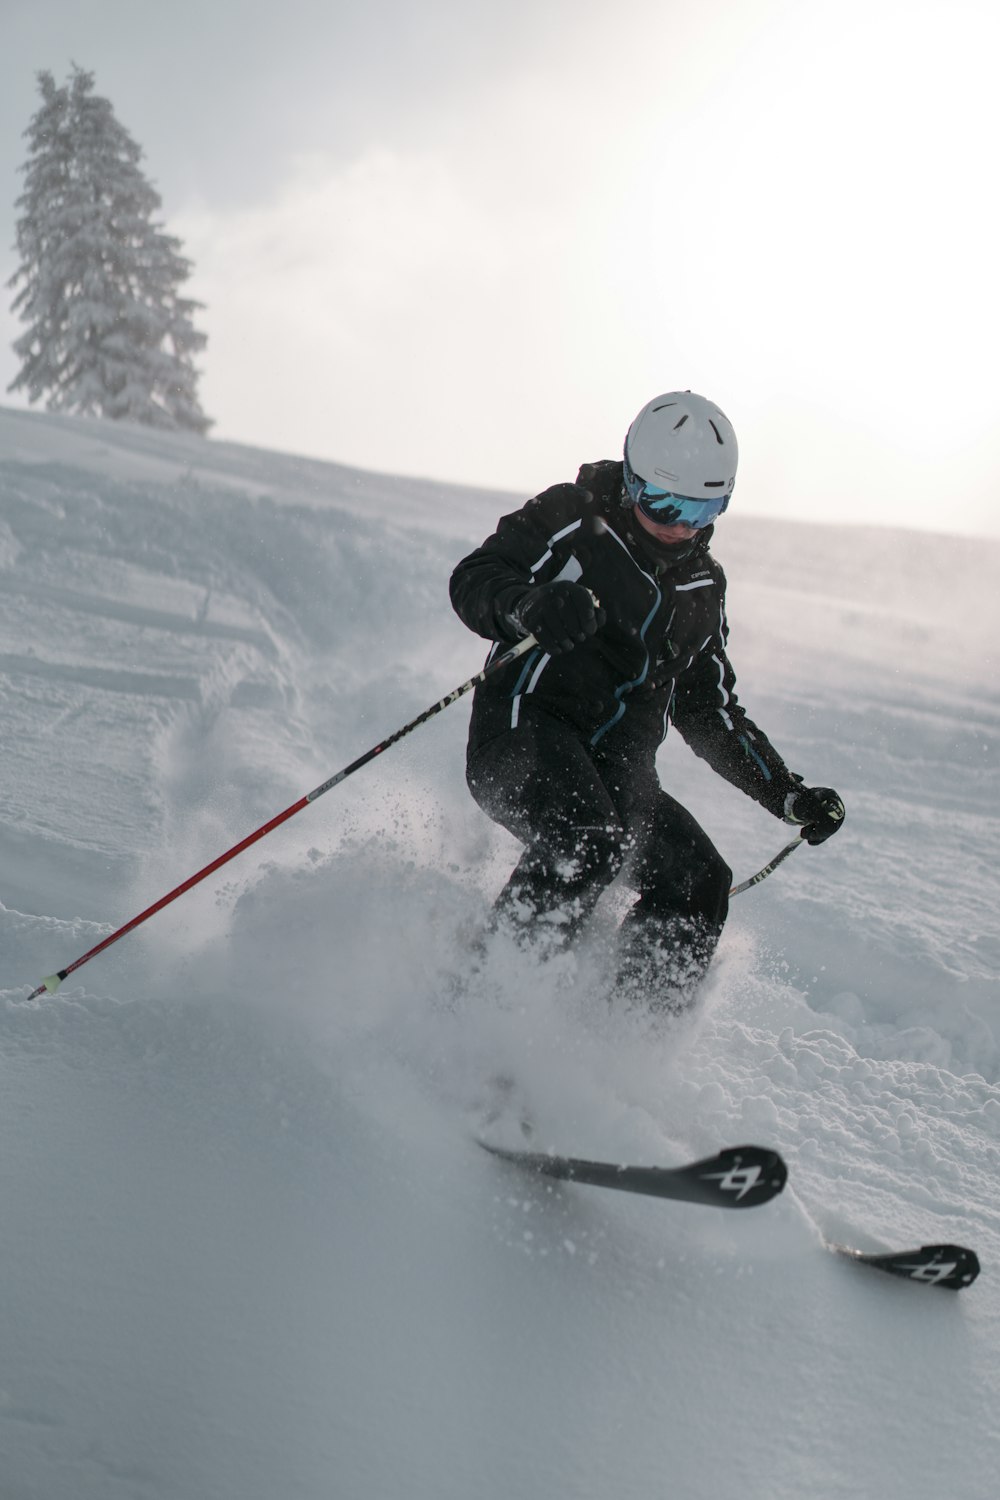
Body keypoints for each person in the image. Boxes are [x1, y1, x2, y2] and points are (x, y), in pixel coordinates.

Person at [449, 391, 844, 1009]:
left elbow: (707, 709)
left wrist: (784, 793)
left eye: (704, 507)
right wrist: (528, 604)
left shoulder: (700, 586)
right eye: (663, 503)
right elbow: (475, 578)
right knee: (587, 839)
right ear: (632, 482)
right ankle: (480, 1015)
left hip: (620, 774)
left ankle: (615, 1045)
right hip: (523, 733)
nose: (680, 524)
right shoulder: (574, 519)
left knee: (700, 881)